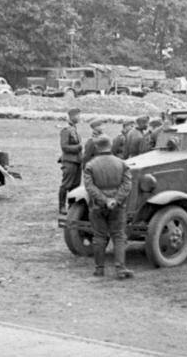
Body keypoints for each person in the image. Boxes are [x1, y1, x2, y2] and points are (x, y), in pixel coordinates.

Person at [83, 135, 134, 279]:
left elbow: (89, 187)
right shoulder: (122, 163)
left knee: (99, 237)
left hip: (97, 206)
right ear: (110, 146)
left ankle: (99, 269)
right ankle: (120, 269)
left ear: (97, 147)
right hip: (118, 206)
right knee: (118, 236)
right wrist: (115, 200)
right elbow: (127, 185)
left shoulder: (90, 165)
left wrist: (104, 200)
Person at [58, 108, 83, 214]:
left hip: (77, 161)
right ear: (72, 116)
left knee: (76, 185)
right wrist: (78, 147)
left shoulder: (74, 129)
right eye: (78, 116)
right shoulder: (66, 130)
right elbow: (64, 147)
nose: (79, 117)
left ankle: (72, 205)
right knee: (66, 184)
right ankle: (62, 206)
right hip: (69, 161)